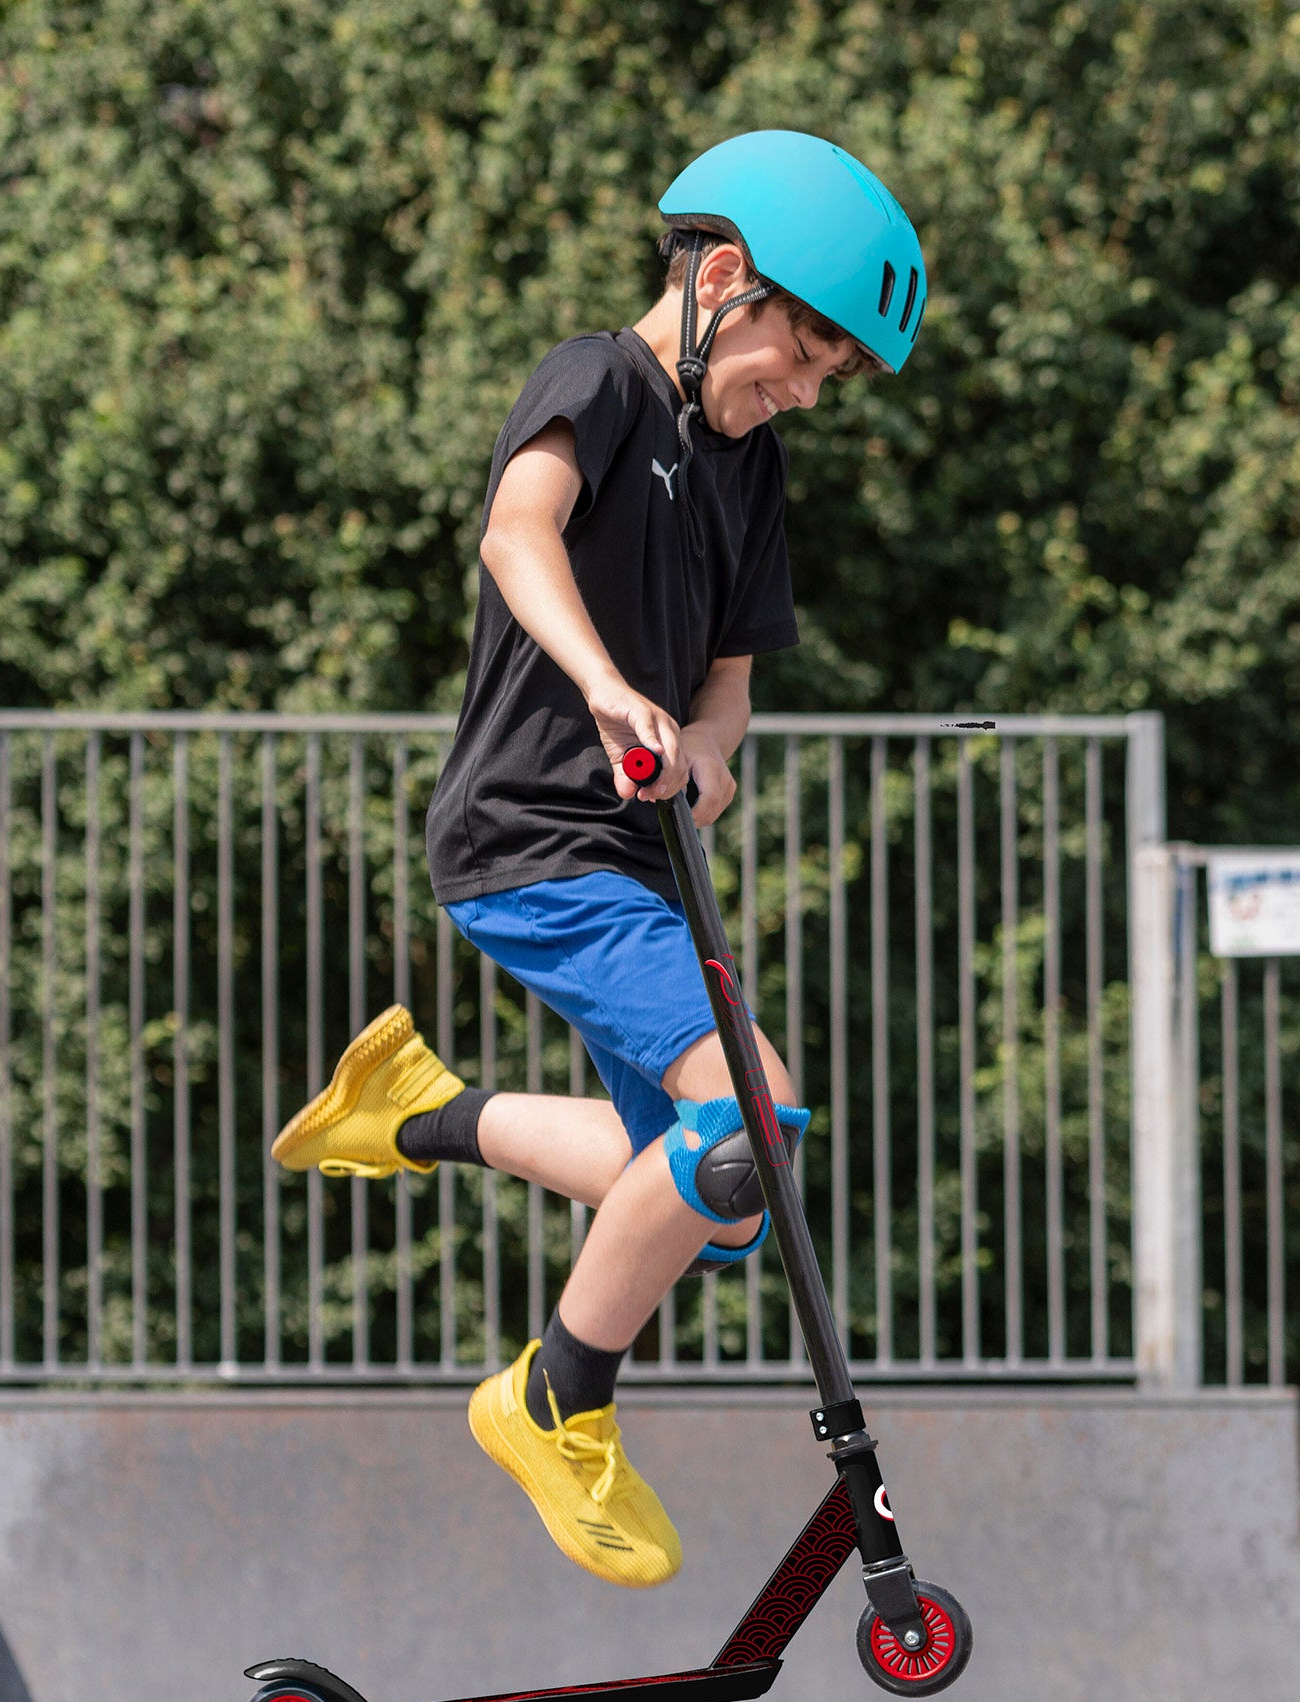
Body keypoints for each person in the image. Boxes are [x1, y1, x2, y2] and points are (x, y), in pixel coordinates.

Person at [273, 130, 929, 1589]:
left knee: (714, 1191)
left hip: (630, 852)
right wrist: (601, 684)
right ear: (723, 279)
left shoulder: (750, 469)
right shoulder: (598, 381)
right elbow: (519, 538)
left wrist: (705, 740)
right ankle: (555, 1399)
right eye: (801, 355)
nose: (805, 393)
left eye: (828, 381)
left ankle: (420, 1111)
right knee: (748, 1126)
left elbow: (734, 683)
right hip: (528, 832)